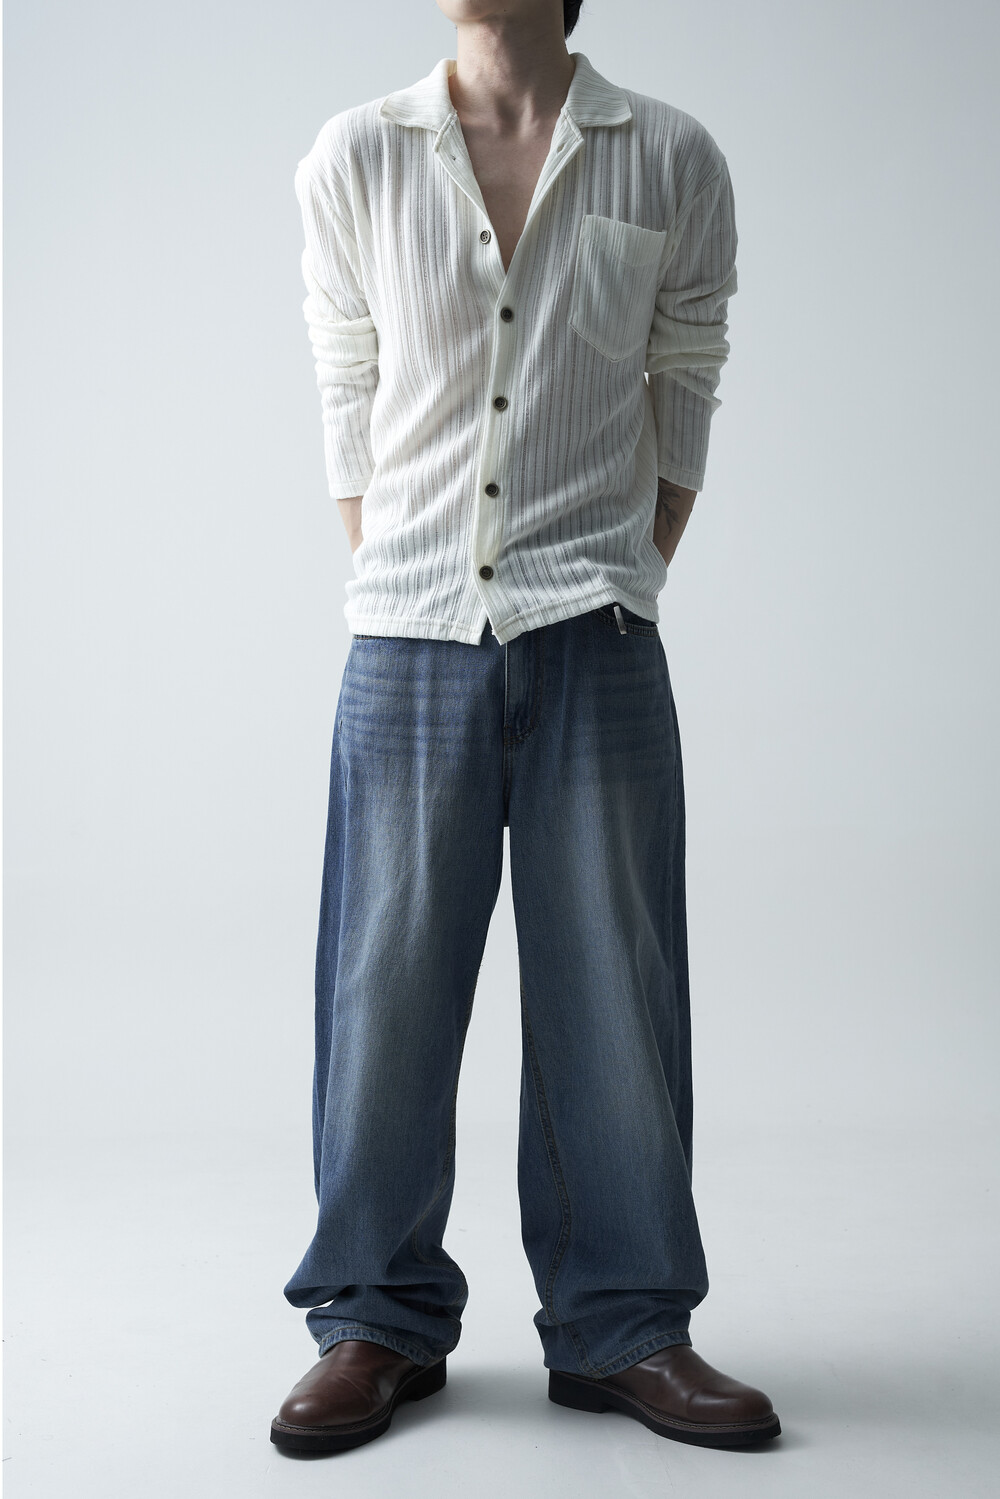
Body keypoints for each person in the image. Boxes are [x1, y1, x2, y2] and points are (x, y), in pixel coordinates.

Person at [271, 0, 780, 1456]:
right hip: (408, 635)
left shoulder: (669, 157)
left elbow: (685, 381)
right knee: (383, 991)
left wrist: (624, 573)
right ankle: (374, 1318)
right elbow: (348, 389)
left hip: (596, 630)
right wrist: (412, 581)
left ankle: (626, 1324)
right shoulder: (356, 155)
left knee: (615, 988)